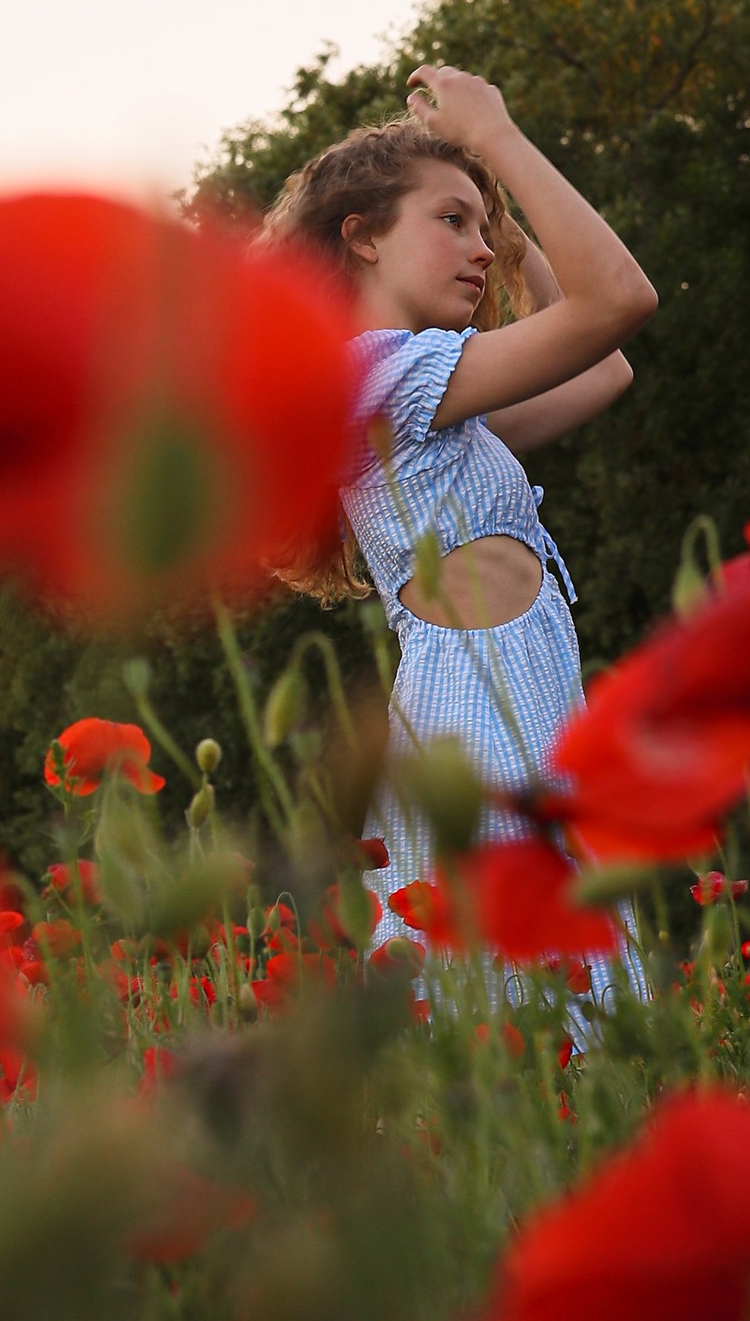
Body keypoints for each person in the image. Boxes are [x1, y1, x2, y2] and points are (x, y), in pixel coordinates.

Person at [263, 62, 657, 996]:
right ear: (360, 238)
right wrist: (497, 143)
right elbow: (619, 304)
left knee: (552, 1013)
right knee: (526, 1004)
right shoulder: (375, 376)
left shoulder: (431, 404)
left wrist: (511, 234)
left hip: (526, 709)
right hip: (476, 722)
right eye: (451, 221)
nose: (478, 249)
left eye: (482, 227)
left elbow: (604, 371)